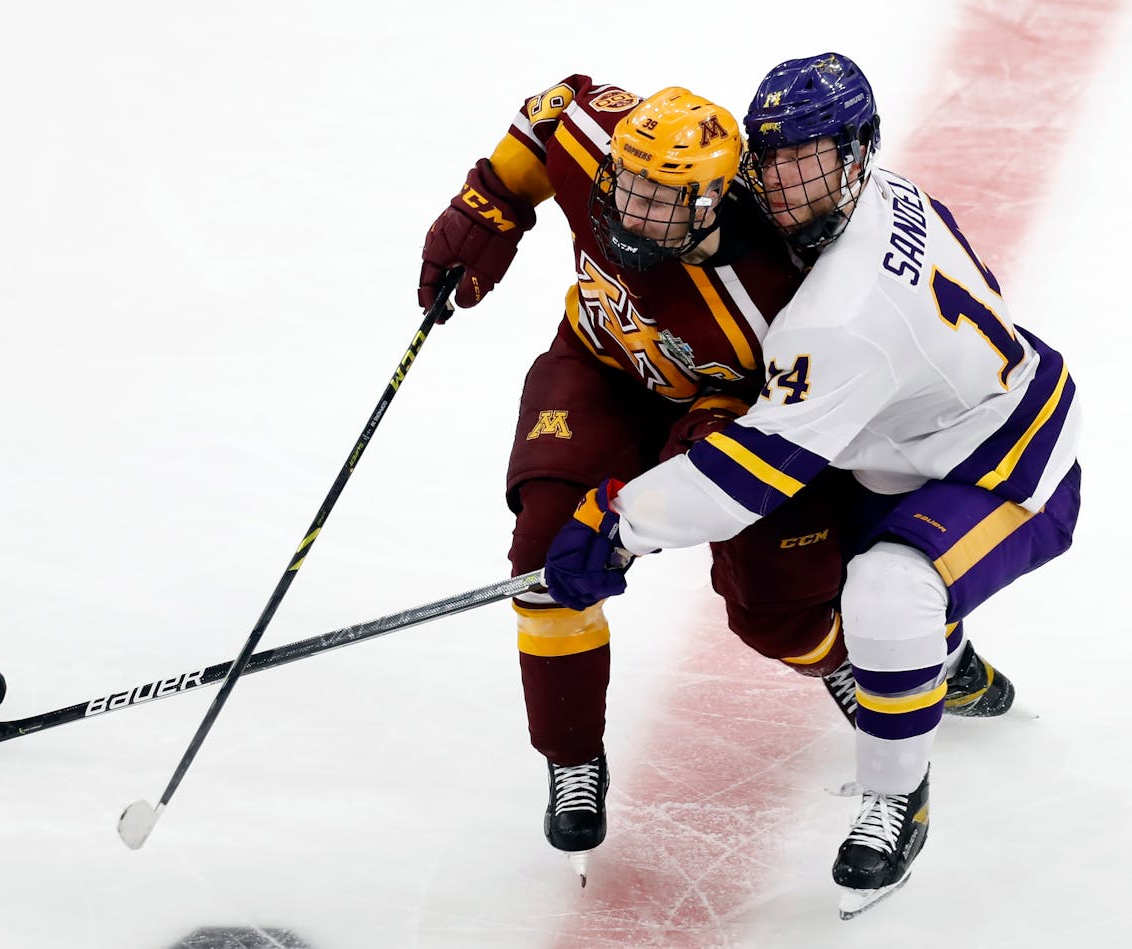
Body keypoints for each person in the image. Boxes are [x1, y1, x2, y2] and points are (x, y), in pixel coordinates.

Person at [540, 52, 1081, 918]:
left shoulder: (842, 316)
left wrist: (618, 521)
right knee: (819, 590)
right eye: (773, 155)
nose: (785, 183)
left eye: (810, 158)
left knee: (888, 590)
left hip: (1003, 461)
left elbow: (753, 473)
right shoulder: (872, 193)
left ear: (857, 152)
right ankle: (946, 662)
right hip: (899, 437)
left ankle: (898, 795)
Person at [416, 80, 857, 883]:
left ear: (712, 203)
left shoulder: (769, 297)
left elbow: (764, 418)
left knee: (778, 605)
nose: (629, 209)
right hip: (594, 366)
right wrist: (487, 208)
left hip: (713, 425)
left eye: (660, 200)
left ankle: (842, 659)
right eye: (627, 184)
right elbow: (552, 108)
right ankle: (572, 756)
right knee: (543, 561)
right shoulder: (598, 142)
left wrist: (645, 498)